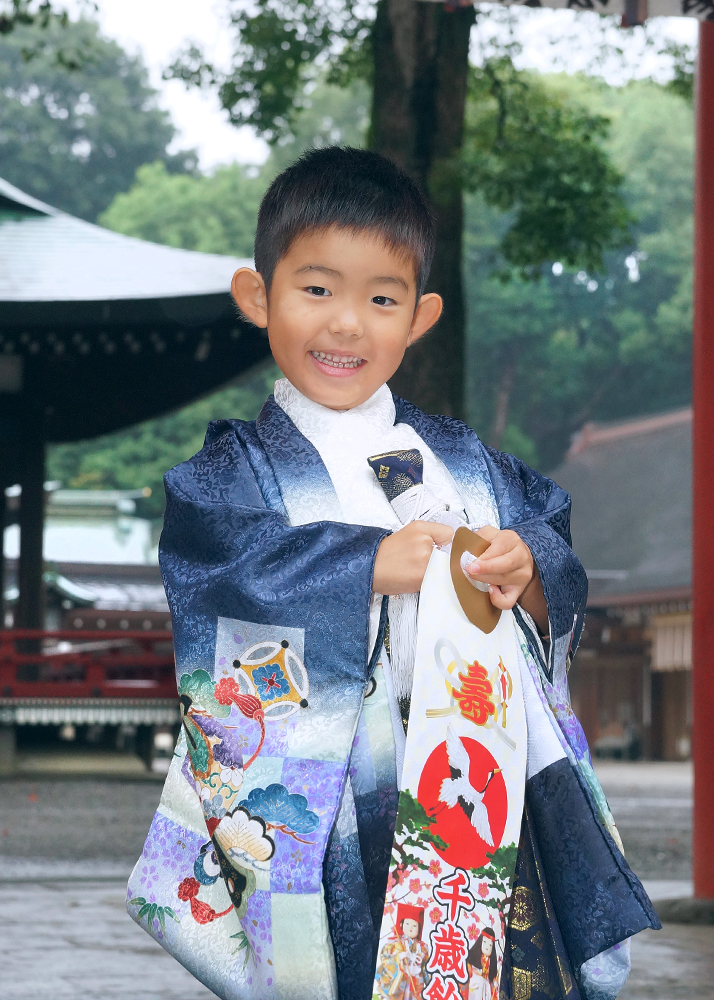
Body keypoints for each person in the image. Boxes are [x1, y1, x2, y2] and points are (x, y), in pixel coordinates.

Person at [128, 147, 659, 1000]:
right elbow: (218, 566)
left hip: (478, 786)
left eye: (382, 299)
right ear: (257, 296)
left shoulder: (463, 460)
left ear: (420, 317)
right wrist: (365, 563)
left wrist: (526, 568)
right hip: (342, 799)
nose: (347, 324)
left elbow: (547, 538)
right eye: (317, 289)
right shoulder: (237, 471)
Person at [375, 904, 429, 1000]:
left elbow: (426, 968)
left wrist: (429, 981)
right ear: (401, 925)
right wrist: (398, 957)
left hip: (415, 982)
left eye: (414, 925)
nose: (410, 927)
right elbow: (384, 958)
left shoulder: (422, 948)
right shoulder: (393, 944)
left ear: (419, 929)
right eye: (407, 924)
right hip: (398, 982)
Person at [467, 929, 498, 1000]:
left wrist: (494, 982)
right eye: (485, 942)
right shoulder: (474, 957)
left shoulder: (491, 962)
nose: (487, 946)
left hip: (485, 987)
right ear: (480, 942)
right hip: (474, 984)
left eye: (490, 945)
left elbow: (492, 978)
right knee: (481, 981)